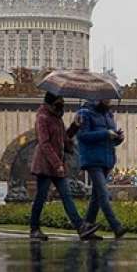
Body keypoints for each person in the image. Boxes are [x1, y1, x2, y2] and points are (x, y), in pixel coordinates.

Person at [30, 92, 98, 241]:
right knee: (41, 198)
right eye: (60, 100)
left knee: (67, 197)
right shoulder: (42, 118)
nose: (63, 102)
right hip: (45, 165)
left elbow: (65, 139)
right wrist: (57, 164)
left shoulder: (57, 119)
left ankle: (80, 228)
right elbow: (44, 143)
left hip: (58, 165)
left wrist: (75, 126)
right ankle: (34, 229)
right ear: (52, 102)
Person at [73, 98, 127, 238]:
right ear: (98, 98)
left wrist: (118, 138)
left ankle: (87, 226)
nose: (110, 101)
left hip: (107, 159)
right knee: (103, 194)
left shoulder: (108, 114)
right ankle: (116, 226)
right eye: (107, 98)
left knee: (96, 197)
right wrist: (106, 133)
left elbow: (110, 138)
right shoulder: (85, 113)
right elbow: (82, 136)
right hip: (93, 160)